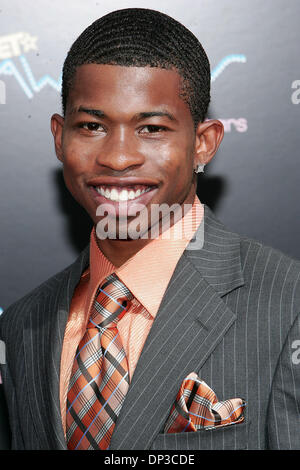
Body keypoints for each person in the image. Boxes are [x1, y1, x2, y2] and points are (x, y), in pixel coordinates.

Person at [0, 8, 300, 451]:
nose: (118, 158)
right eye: (92, 126)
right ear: (59, 137)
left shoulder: (289, 302)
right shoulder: (23, 325)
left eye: (152, 128)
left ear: (203, 143)